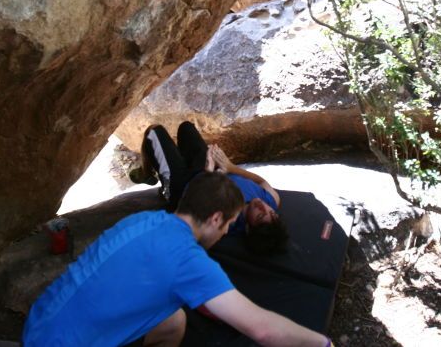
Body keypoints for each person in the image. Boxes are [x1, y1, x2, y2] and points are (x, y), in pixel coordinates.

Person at [23, 172, 333, 347]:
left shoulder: (142, 221)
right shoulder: (189, 260)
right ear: (214, 218)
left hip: (39, 327)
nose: (226, 232)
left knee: (174, 320)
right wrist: (323, 344)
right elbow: (263, 330)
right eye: (227, 224)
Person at [135, 121, 288, 254]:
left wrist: (208, 172)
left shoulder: (227, 219)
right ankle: (174, 157)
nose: (262, 206)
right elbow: (261, 181)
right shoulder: (272, 199)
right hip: (211, 170)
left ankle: (147, 173)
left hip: (182, 186)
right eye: (270, 212)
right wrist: (230, 167)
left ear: (248, 228)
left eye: (260, 215)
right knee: (186, 128)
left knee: (153, 132)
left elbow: (195, 200)